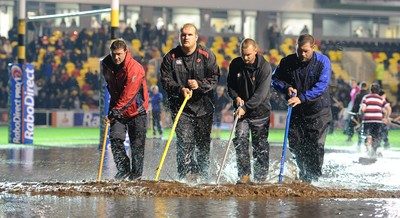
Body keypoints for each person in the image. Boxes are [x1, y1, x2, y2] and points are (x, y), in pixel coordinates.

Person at [160, 23, 220, 182]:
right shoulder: (170, 57)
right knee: (184, 143)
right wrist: (180, 89)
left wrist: (200, 85)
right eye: (183, 34)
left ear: (196, 37)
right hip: (181, 108)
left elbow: (215, 78)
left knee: (202, 146)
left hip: (204, 108)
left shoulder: (207, 55)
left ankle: (204, 178)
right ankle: (185, 178)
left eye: (189, 34)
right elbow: (165, 81)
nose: (186, 37)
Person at [272, 34, 332, 183]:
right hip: (296, 112)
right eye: (299, 50)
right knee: (296, 144)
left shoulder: (323, 62)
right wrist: (286, 87)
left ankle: (313, 178)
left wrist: (302, 98)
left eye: (306, 51)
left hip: (318, 112)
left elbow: (321, 86)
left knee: (315, 145)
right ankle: (303, 172)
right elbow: (275, 79)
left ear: (313, 47)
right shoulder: (287, 61)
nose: (302, 54)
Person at [102, 39, 149, 181]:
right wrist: (114, 109)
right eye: (114, 54)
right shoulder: (106, 65)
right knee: (115, 140)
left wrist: (114, 112)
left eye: (119, 54)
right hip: (118, 110)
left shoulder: (135, 68)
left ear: (126, 52)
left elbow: (129, 94)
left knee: (137, 145)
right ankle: (123, 170)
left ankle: (136, 176)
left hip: (137, 111)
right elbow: (112, 89)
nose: (116, 57)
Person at [227, 38, 272, 184]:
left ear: (255, 51)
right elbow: (231, 85)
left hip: (260, 113)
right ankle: (244, 175)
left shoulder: (264, 67)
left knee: (260, 146)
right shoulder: (235, 64)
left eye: (248, 55)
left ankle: (261, 178)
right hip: (241, 112)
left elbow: (261, 94)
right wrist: (236, 97)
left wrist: (246, 107)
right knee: (240, 141)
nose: (245, 58)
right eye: (243, 54)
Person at [360, 83, 391, 157]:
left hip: (367, 120)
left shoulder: (366, 97)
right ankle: (376, 151)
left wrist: (361, 114)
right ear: (378, 90)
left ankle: (368, 149)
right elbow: (389, 109)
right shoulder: (381, 99)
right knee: (376, 137)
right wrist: (386, 118)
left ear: (370, 90)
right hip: (377, 121)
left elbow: (363, 109)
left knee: (367, 135)